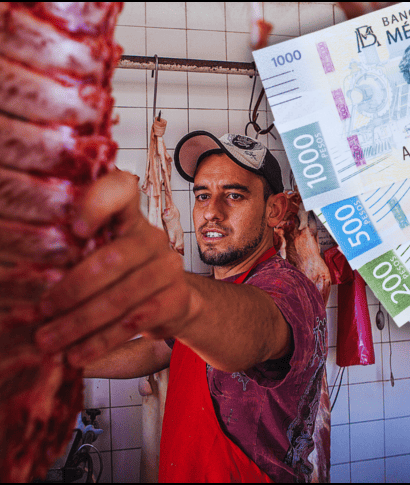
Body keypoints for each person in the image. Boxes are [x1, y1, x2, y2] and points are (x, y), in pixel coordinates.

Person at [34, 131, 329, 483]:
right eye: (203, 195)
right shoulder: (221, 286)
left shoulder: (288, 289)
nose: (211, 213)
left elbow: (251, 335)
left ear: (274, 210)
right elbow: (161, 348)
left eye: (234, 195)